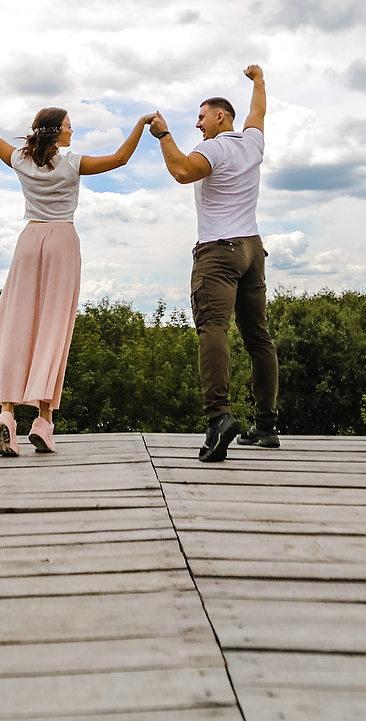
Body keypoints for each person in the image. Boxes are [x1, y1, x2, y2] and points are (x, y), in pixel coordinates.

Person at [0, 95, 152, 456]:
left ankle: (7, 414)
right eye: (70, 125)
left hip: (29, 240)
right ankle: (43, 421)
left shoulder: (21, 160)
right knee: (52, 329)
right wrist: (140, 124)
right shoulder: (72, 164)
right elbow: (120, 159)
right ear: (57, 132)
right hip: (61, 241)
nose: (73, 130)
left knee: (17, 324)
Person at [147, 64, 279, 463]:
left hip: (218, 252)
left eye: (202, 116)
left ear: (221, 117)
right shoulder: (252, 142)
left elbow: (182, 171)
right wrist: (258, 80)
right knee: (259, 338)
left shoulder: (215, 148)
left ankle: (219, 418)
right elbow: (258, 111)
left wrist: (164, 135)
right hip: (252, 249)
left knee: (212, 329)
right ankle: (266, 425)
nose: (198, 123)